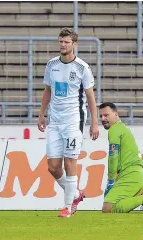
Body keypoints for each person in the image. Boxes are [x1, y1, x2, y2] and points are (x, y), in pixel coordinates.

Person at [37, 27, 99, 218]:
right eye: (60, 41)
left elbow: (90, 97)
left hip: (74, 120)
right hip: (55, 120)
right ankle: (76, 194)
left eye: (66, 42)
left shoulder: (82, 68)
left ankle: (67, 206)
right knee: (53, 167)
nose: (62, 45)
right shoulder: (51, 65)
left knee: (70, 161)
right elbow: (48, 90)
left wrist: (94, 123)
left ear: (74, 44)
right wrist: (41, 114)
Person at [99, 102, 143, 213]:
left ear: (116, 114)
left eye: (106, 115)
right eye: (101, 116)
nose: (103, 118)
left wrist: (110, 180)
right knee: (116, 205)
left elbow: (113, 157)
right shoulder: (123, 128)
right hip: (134, 173)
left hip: (130, 174)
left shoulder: (114, 129)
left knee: (108, 208)